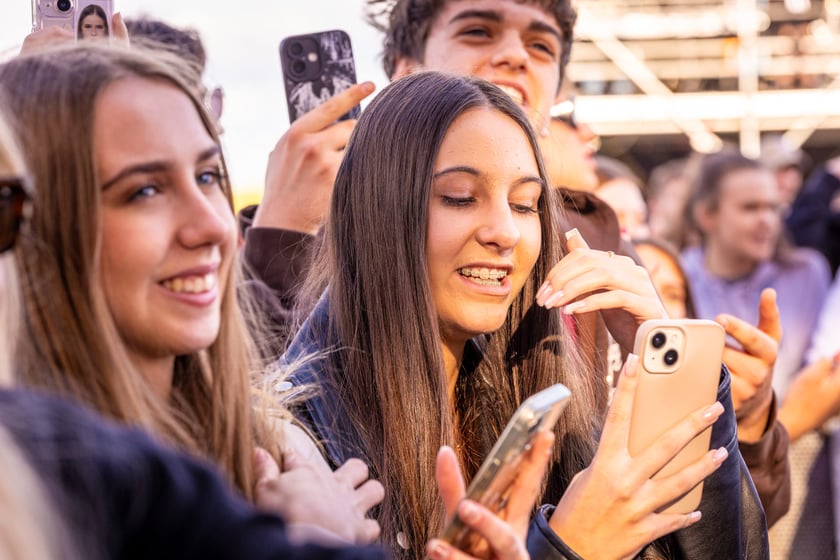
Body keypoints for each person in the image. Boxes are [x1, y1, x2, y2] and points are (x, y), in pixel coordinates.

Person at [281, 69, 766, 560]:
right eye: (460, 197)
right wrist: (570, 546)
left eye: (525, 203)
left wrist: (680, 386)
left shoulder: (548, 406)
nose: (505, 231)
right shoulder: (293, 448)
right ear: (376, 209)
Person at [0, 42, 387, 544]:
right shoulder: (31, 494)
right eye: (144, 191)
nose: (212, 224)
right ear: (37, 228)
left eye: (207, 176)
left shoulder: (284, 449)